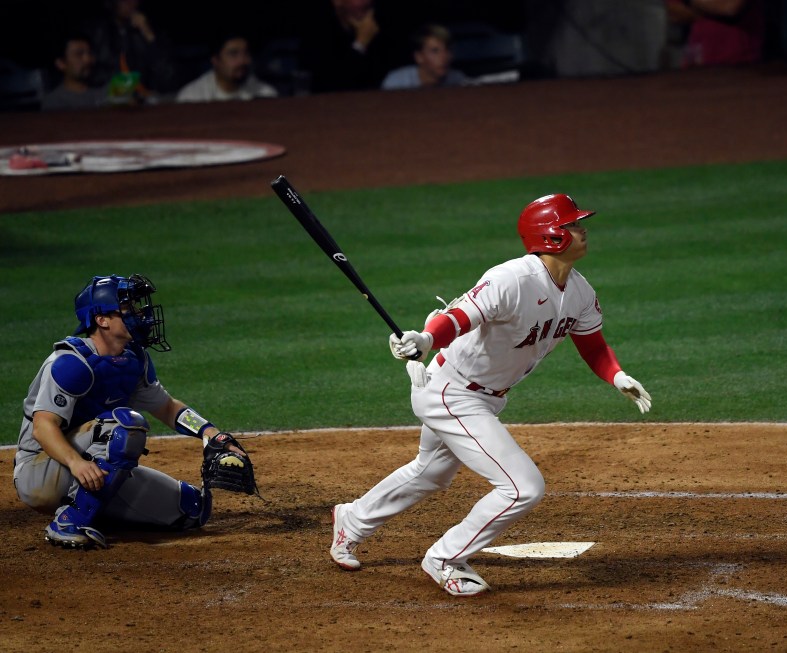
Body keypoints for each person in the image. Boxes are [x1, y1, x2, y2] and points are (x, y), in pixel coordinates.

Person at [329, 194, 652, 596]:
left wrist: (617, 376)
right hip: (452, 392)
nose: (583, 231)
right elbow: (459, 317)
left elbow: (594, 345)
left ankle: (353, 519)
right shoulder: (511, 279)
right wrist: (427, 338)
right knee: (523, 488)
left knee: (430, 472)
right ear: (551, 236)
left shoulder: (581, 291)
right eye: (573, 225)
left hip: (484, 397)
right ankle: (445, 557)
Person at [13, 274, 254, 549]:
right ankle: (69, 521)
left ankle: (95, 508)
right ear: (102, 319)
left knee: (191, 509)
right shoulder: (71, 363)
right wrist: (76, 463)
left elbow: (167, 407)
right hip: (41, 470)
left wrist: (211, 434)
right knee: (126, 427)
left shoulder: (133, 359)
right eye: (128, 309)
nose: (140, 314)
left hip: (92, 467)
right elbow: (43, 427)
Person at [83, 0, 177, 101]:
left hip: (145, 101)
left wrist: (148, 35)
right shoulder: (97, 32)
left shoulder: (150, 31)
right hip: (105, 99)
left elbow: (167, 76)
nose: (130, 3)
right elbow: (89, 75)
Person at [299, 0, 398, 92]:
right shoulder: (318, 31)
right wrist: (360, 43)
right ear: (337, 2)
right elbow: (334, 84)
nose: (368, 2)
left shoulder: (374, 28)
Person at [176, 34, 278, 103]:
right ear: (215, 60)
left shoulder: (265, 94)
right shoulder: (192, 97)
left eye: (246, 53)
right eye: (233, 54)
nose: (242, 61)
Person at [665, 0, 766, 68]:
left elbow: (731, 7)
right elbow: (674, 12)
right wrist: (715, 8)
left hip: (740, 64)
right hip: (697, 63)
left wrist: (693, 4)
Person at [381, 24, 471, 90]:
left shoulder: (458, 80)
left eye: (447, 49)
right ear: (419, 57)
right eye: (435, 51)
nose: (444, 57)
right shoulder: (397, 82)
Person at [41, 33, 109, 112]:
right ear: (61, 63)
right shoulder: (55, 101)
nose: (88, 60)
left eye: (90, 53)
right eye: (79, 54)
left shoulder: (106, 91)